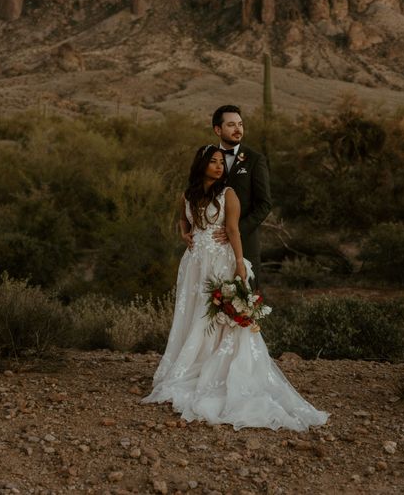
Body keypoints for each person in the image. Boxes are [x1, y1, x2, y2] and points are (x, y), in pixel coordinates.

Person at [141, 144, 329, 431]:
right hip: (194, 264)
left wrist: (240, 263)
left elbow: (232, 230)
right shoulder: (188, 195)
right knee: (193, 313)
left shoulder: (228, 194)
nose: (219, 166)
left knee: (217, 317)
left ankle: (218, 370)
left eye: (221, 162)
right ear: (201, 164)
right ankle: (192, 364)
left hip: (219, 260)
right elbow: (183, 218)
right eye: (213, 162)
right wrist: (184, 233)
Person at [211, 104, 272, 287]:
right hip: (212, 246)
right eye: (231, 125)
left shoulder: (255, 159)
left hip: (245, 244)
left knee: (245, 306)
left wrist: (234, 231)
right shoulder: (208, 158)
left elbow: (264, 204)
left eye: (240, 124)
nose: (238, 129)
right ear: (217, 129)